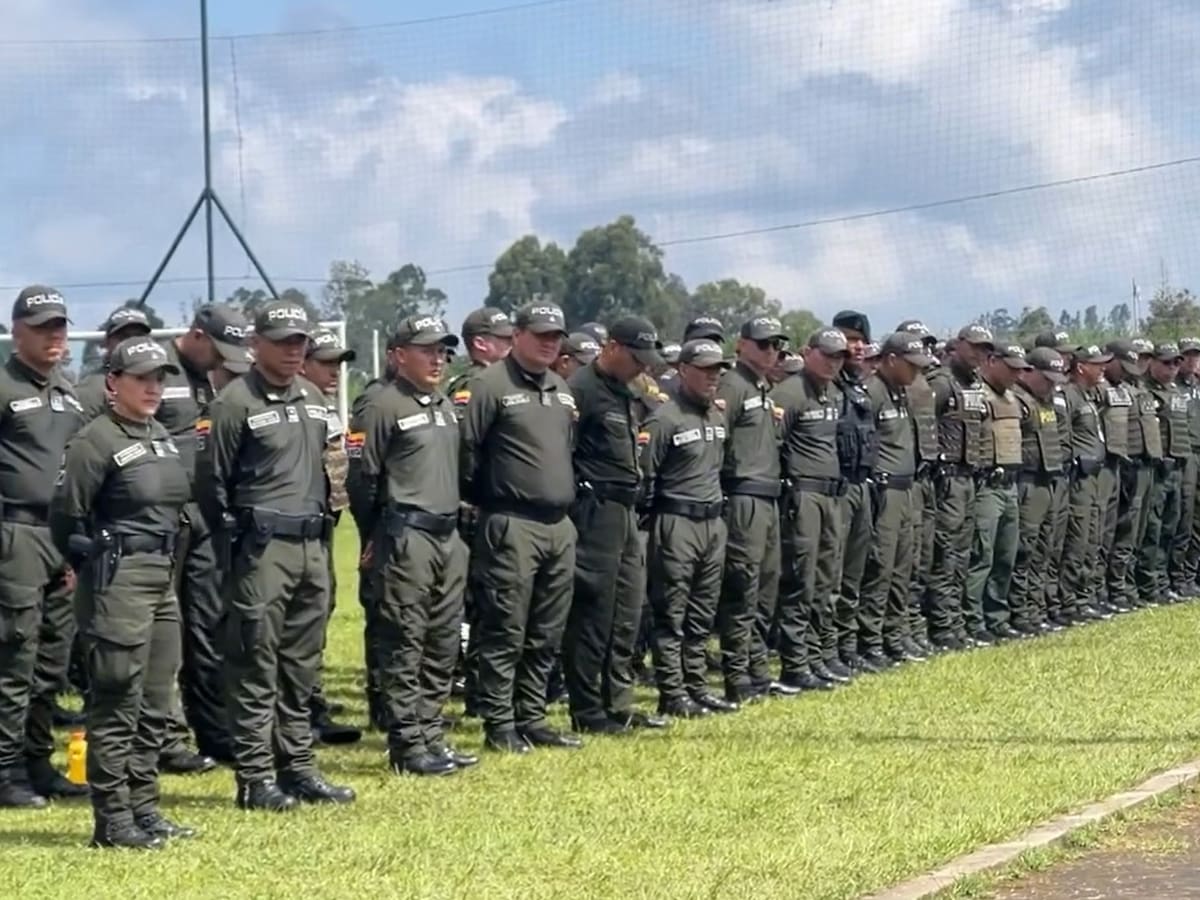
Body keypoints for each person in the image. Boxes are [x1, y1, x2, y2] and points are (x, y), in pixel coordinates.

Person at [200, 300, 354, 811]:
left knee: (301, 665)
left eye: (300, 342)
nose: (294, 350)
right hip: (261, 549)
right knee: (254, 662)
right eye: (283, 341)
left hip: (311, 544)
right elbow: (211, 484)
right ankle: (255, 776)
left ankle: (300, 767)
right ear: (255, 345)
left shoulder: (312, 396)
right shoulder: (234, 402)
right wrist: (235, 544)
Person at [50, 337, 195, 849]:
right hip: (118, 578)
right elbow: (66, 515)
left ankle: (144, 807)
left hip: (161, 577)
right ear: (114, 382)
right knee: (117, 700)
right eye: (142, 378)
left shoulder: (159, 434)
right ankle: (112, 821)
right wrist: (81, 562)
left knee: (156, 699)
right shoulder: (96, 440)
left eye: (160, 378)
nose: (154, 387)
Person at [347, 315, 474, 775]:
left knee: (442, 641)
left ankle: (431, 734)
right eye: (427, 350)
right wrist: (377, 537)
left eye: (442, 351)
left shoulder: (441, 402)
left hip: (446, 534)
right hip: (405, 535)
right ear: (398, 355)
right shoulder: (382, 405)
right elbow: (362, 480)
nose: (437, 358)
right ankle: (406, 743)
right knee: (405, 639)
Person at [459, 302, 579, 753]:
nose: (550, 342)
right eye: (542, 334)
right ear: (519, 335)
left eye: (556, 336)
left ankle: (532, 715)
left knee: (547, 628)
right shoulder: (489, 385)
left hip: (558, 525)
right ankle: (499, 720)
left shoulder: (561, 388)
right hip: (512, 522)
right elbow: (466, 455)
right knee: (505, 627)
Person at [0, 286, 87, 808]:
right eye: (43, 327)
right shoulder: (4, 385)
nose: (55, 335)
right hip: (14, 534)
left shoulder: (68, 389)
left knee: (51, 661)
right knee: (14, 656)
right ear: (17, 331)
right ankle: (4, 770)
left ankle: (37, 761)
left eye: (60, 326)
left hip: (58, 536)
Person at [158, 303, 252, 772]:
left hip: (201, 516)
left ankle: (213, 733)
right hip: (161, 519)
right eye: (219, 349)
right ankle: (166, 738)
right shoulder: (155, 369)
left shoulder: (204, 378)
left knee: (205, 624)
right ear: (196, 334)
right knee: (164, 631)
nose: (223, 361)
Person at [564, 317, 668, 733]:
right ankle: (588, 710)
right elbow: (564, 455)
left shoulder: (626, 391)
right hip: (596, 509)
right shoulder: (580, 391)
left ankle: (618, 702)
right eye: (637, 359)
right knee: (595, 612)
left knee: (627, 608)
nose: (643, 368)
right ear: (612, 348)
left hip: (625, 509)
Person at [638, 339, 732, 717]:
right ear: (683, 371)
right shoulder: (664, 418)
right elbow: (646, 475)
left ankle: (697, 685)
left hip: (712, 522)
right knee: (672, 612)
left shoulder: (716, 416)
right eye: (705, 369)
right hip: (676, 521)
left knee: (702, 612)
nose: (713, 377)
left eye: (718, 370)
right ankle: (672, 692)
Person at [715, 316, 787, 704]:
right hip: (741, 494)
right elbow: (717, 440)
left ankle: (757, 670)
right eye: (763, 344)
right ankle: (736, 676)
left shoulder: (762, 387)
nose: (770, 351)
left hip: (767, 495)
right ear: (741, 344)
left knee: (765, 586)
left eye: (775, 344)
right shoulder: (732, 385)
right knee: (742, 587)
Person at [771, 329, 849, 687]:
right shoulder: (788, 394)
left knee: (827, 579)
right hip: (802, 496)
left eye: (840, 357)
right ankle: (795, 662)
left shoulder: (834, 392)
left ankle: (819, 655)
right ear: (808, 352)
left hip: (831, 496)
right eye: (828, 354)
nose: (834, 362)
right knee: (801, 580)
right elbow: (771, 446)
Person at [300, 329, 361, 746]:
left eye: (338, 363)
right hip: (291, 533)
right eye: (325, 362)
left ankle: (310, 701)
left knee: (319, 615)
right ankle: (299, 710)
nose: (335, 371)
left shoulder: (323, 405)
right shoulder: (299, 405)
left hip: (323, 529)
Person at [860, 333, 932, 663]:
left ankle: (895, 635)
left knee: (905, 566)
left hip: (907, 489)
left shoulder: (901, 392)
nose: (917, 371)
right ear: (891, 359)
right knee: (881, 567)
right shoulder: (871, 393)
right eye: (911, 364)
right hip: (884, 491)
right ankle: (871, 641)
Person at [925, 324, 994, 649]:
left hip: (970, 478)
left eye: (984, 350)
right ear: (959, 345)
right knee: (946, 554)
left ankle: (954, 623)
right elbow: (924, 425)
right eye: (975, 348)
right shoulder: (941, 382)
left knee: (964, 553)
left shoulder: (975, 385)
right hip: (948, 479)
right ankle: (941, 627)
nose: (979, 355)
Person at [964, 344, 1029, 643]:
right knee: (982, 555)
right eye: (1011, 367)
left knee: (1006, 555)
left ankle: (997, 616)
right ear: (992, 362)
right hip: (988, 486)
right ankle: (973, 620)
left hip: (1010, 486)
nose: (1017, 374)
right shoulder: (978, 396)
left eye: (1020, 369)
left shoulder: (1014, 398)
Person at [1009, 348, 1069, 634]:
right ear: (1028, 371)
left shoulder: (1047, 402)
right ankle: (1019, 612)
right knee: (1025, 548)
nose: (1052, 384)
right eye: (1047, 378)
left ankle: (1037, 608)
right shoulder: (1018, 400)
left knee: (1045, 548)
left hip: (1050, 480)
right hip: (1027, 482)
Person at [830, 311, 877, 672]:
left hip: (862, 487)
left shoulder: (860, 386)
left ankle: (847, 648)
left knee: (854, 575)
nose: (856, 346)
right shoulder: (826, 387)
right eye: (849, 339)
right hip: (836, 490)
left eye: (861, 340)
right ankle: (827, 651)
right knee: (830, 574)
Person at [1058, 344, 1113, 623]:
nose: (1103, 368)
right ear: (1081, 367)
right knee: (1077, 539)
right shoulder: (1068, 396)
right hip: (1079, 479)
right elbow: (1062, 436)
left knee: (1093, 537)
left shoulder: (1090, 396)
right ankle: (1069, 602)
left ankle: (1085, 596)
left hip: (1096, 477)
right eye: (1097, 364)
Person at [1140, 342, 1188, 602]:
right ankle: (1149, 585)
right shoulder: (1145, 393)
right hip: (1158, 470)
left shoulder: (1178, 393)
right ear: (1153, 363)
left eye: (1176, 363)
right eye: (1166, 363)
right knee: (1153, 529)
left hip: (1178, 468)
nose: (1172, 368)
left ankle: (1162, 580)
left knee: (1171, 527)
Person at [76, 306, 153, 422]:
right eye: (124, 337)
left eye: (139, 337)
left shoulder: (162, 381)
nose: (133, 344)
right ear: (107, 343)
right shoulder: (90, 390)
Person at [1172, 337, 1200, 595]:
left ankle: (1193, 574)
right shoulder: (1173, 388)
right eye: (1187, 356)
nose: (1193, 361)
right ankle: (1179, 577)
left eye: (1196, 356)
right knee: (1185, 514)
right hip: (1186, 454)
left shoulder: (1197, 385)